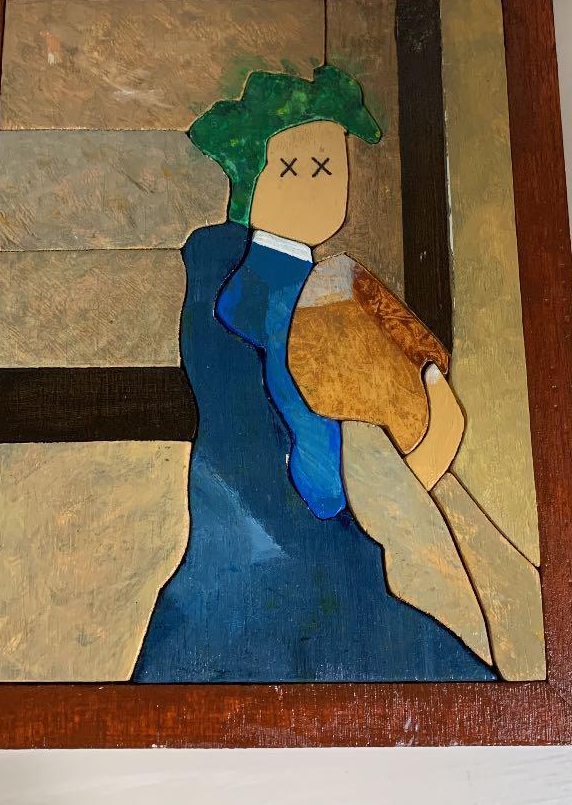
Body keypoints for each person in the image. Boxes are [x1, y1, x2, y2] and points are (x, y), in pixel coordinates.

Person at [132, 65, 496, 683]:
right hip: (285, 565)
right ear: (252, 183)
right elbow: (316, 477)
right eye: (300, 169)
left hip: (253, 549)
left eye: (332, 167)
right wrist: (421, 461)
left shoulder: (267, 279)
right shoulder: (265, 294)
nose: (322, 185)